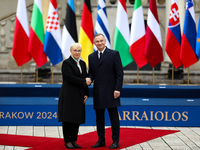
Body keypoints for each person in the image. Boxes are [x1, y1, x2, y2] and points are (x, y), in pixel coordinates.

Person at [88, 33, 123, 149]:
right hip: (98, 92)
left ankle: (115, 141)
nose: (99, 43)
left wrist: (117, 89)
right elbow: (92, 72)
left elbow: (119, 74)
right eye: (97, 41)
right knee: (99, 118)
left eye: (101, 41)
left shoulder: (114, 54)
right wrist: (89, 78)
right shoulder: (91, 57)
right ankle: (101, 140)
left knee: (113, 117)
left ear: (105, 41)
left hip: (111, 92)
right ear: (94, 43)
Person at [58, 43, 91, 149]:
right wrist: (84, 81)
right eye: (75, 50)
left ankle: (74, 140)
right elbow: (70, 78)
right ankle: (67, 140)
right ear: (70, 51)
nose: (77, 52)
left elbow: (85, 78)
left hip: (79, 94)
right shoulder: (67, 63)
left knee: (76, 118)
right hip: (68, 94)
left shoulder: (82, 63)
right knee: (68, 118)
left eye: (79, 50)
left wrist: (86, 93)